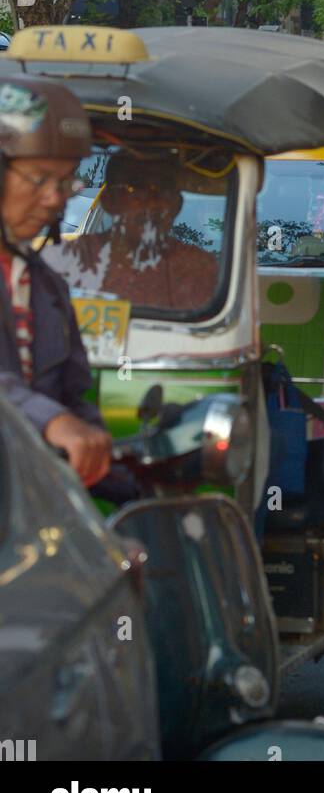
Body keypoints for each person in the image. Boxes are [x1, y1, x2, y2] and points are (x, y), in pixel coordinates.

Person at [0, 77, 113, 489]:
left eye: (64, 182)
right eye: (38, 178)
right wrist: (52, 421)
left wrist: (125, 464)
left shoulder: (46, 285)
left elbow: (74, 397)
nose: (54, 199)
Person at [48, 149, 220, 310]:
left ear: (177, 205)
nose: (152, 204)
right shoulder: (68, 259)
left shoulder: (200, 269)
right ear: (109, 201)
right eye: (136, 190)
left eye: (163, 190)